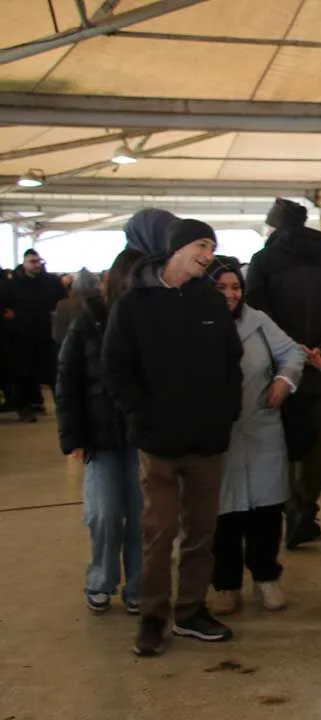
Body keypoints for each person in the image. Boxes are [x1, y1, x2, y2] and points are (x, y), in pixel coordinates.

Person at [102, 219, 243, 657]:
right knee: (159, 532)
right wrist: (142, 418)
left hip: (207, 439)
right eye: (202, 244)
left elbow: (230, 364)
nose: (209, 253)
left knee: (202, 530)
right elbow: (116, 369)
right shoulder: (134, 304)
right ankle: (152, 616)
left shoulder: (210, 301)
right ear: (177, 249)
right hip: (158, 441)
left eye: (213, 246)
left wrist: (225, 415)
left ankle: (191, 610)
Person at [245, 198, 321, 549]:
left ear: (276, 226)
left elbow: (255, 312)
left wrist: (289, 348)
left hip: (275, 368)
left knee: (273, 440)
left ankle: (274, 512)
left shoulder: (264, 261)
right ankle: (304, 514)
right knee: (313, 443)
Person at [207, 264, 306, 616]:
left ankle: (266, 577)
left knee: (266, 510)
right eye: (221, 287)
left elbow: (293, 352)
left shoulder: (259, 321)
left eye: (235, 287)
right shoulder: (195, 322)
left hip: (261, 427)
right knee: (223, 514)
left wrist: (285, 380)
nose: (231, 294)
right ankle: (225, 585)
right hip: (217, 433)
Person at [55, 267, 142, 615]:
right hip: (98, 438)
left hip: (139, 436)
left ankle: (138, 584)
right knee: (104, 513)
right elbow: (66, 380)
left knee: (140, 515)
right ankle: (100, 580)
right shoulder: (86, 321)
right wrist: (71, 436)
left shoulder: (146, 324)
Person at [5, 249, 65, 421]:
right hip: (22, 336)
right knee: (25, 373)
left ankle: (62, 407)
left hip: (47, 334)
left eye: (39, 261)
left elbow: (62, 301)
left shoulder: (51, 282)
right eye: (33, 261)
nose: (37, 264)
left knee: (54, 372)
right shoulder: (13, 284)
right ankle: (28, 408)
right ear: (24, 264)